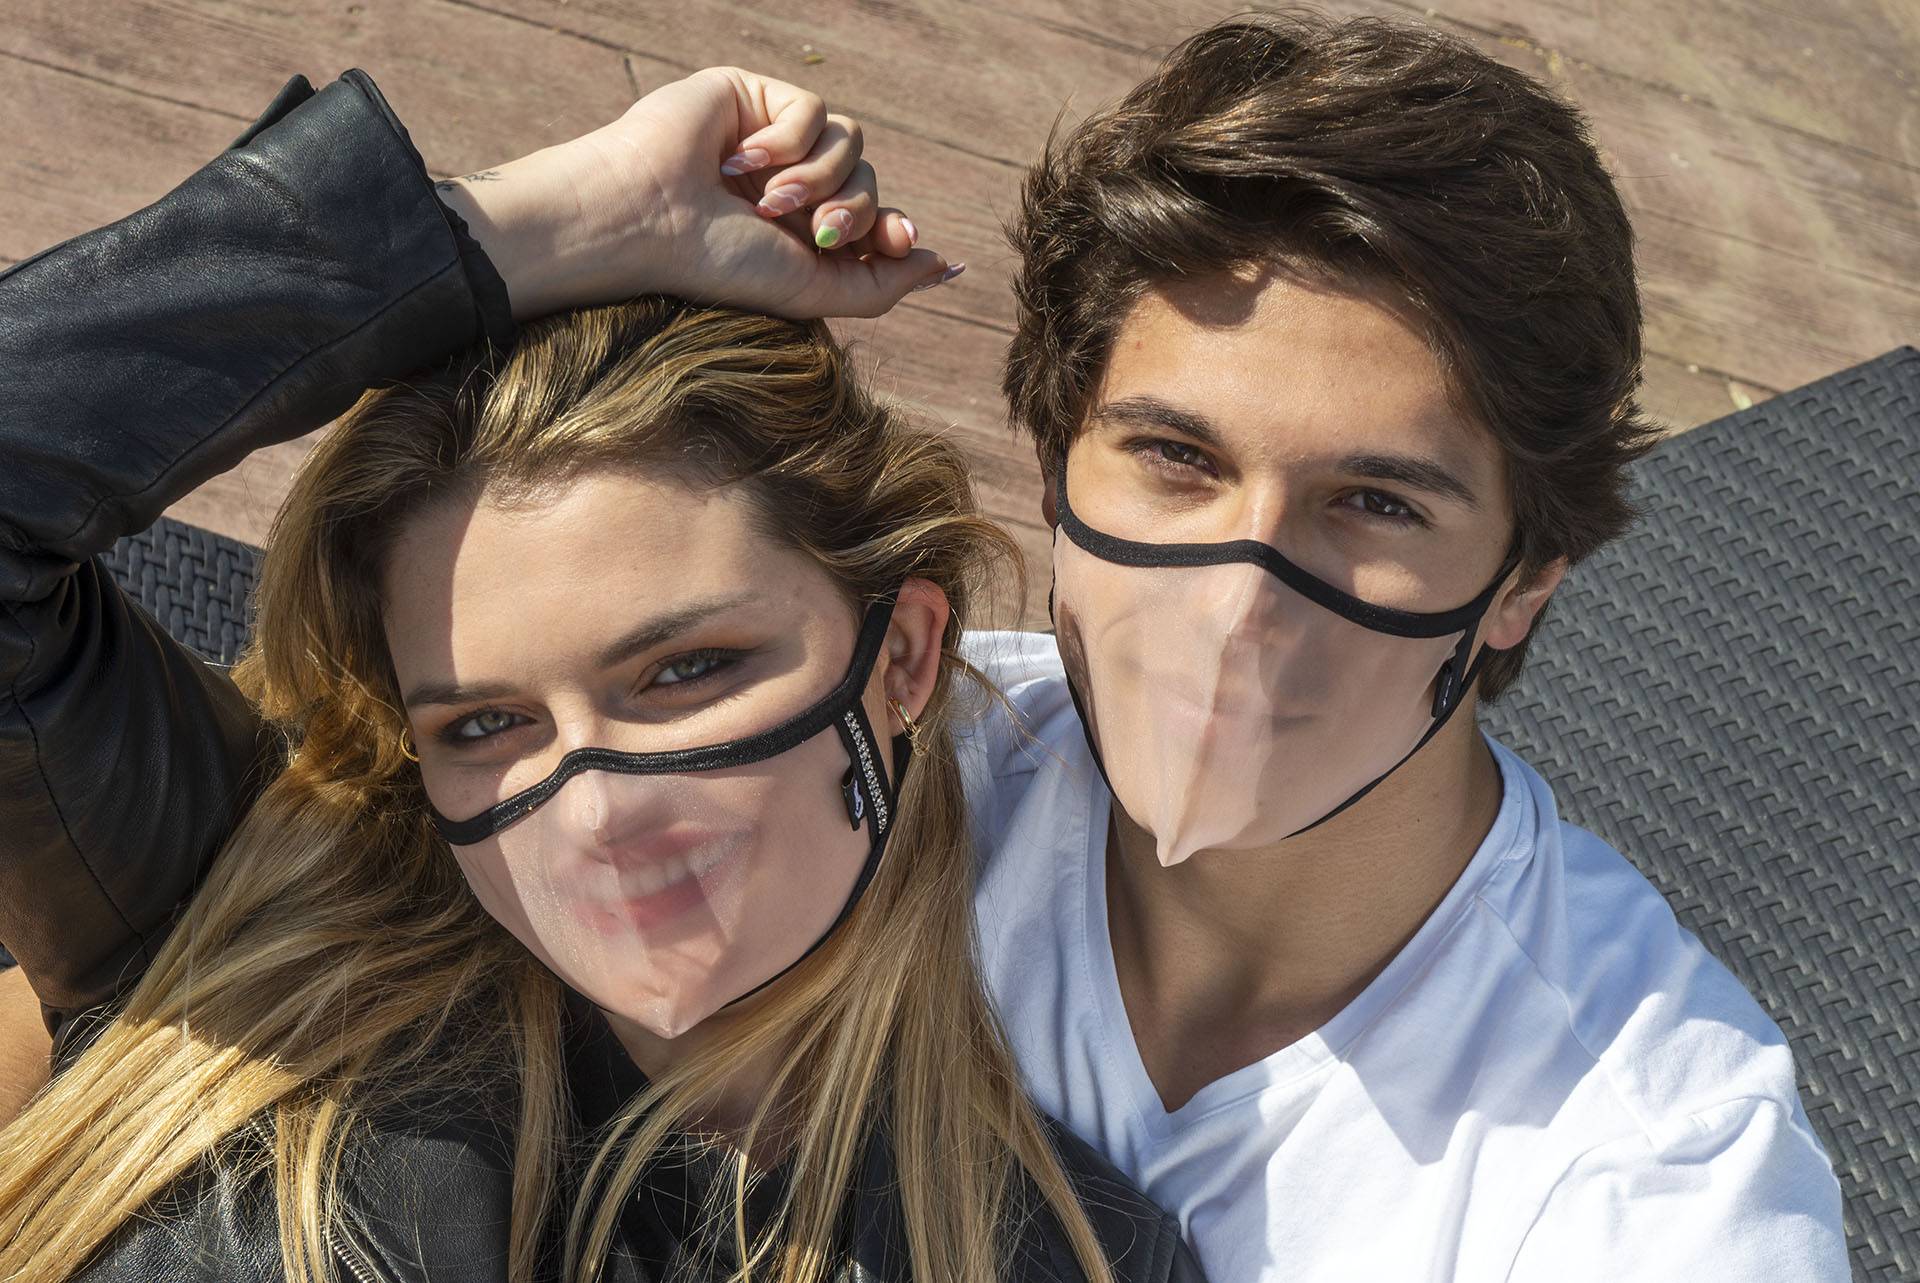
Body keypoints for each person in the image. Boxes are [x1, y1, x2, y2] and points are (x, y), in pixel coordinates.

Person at [0, 67, 1201, 1283]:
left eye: (685, 669)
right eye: (486, 723)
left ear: (902, 654)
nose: (596, 815)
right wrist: (559, 220)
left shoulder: (1068, 1253)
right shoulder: (249, 883)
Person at [952, 12, 1848, 1281]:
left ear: (1523, 582)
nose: (1237, 609)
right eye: (1176, 455)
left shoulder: (1650, 1177)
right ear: (1056, 469)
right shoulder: (896, 762)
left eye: (1377, 502)